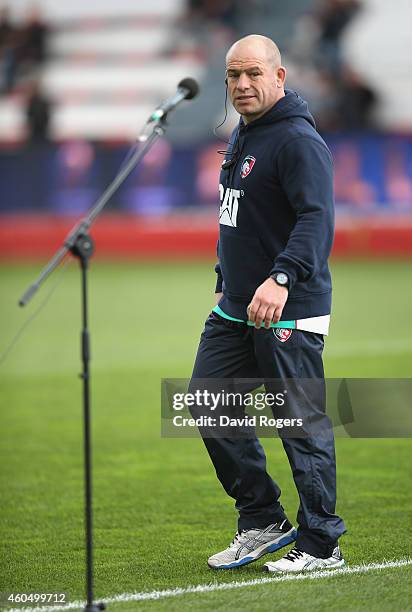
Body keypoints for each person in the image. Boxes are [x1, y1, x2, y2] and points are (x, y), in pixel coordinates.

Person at [190, 34, 346, 573]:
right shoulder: (245, 134)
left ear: (280, 76)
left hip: (289, 304)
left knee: (299, 423)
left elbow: (315, 219)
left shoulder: (297, 141)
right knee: (207, 403)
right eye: (234, 75)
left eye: (254, 73)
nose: (242, 85)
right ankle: (262, 519)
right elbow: (237, 219)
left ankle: (323, 543)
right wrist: (223, 276)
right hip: (236, 306)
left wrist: (281, 276)